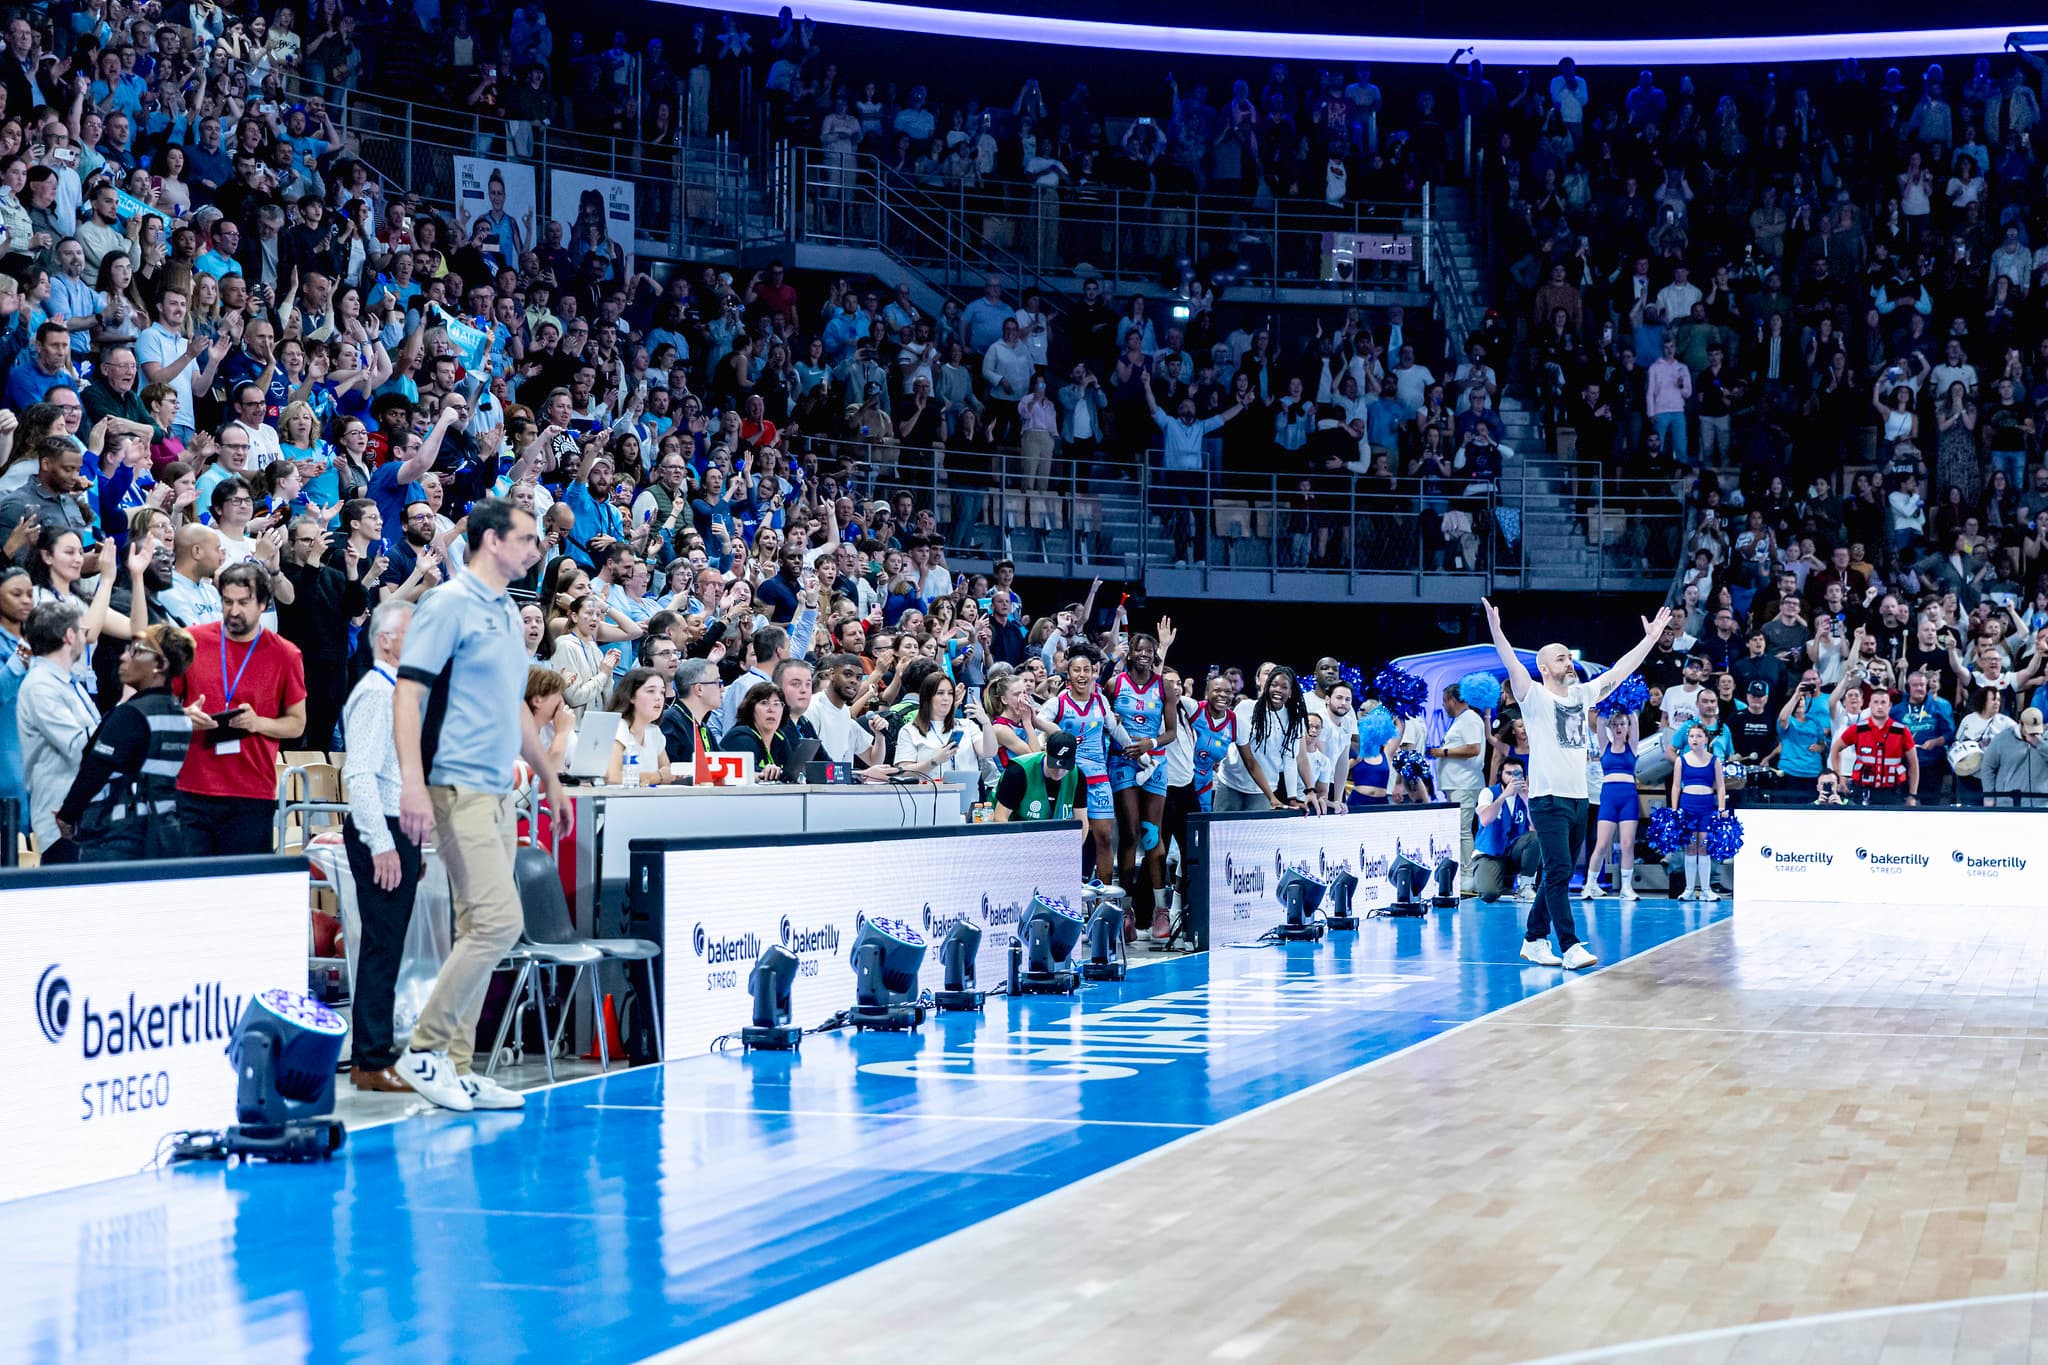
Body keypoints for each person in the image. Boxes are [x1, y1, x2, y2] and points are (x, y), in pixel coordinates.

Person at [393, 497, 566, 1113]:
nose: (534, 549)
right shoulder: (449, 604)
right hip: (455, 785)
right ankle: (423, 1049)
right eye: (525, 538)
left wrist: (549, 778)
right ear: (492, 541)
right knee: (499, 923)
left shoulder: (506, 610)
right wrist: (412, 782)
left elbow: (516, 705)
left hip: (498, 791)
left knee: (479, 928)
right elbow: (407, 694)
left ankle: (457, 1068)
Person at [1481, 596, 1674, 970]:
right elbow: (1509, 662)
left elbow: (1619, 671)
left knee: (1561, 872)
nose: (1568, 662)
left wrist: (1649, 640)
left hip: (1578, 799)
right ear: (1543, 667)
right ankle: (1568, 945)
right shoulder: (1532, 697)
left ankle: (1534, 940)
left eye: (1570, 657)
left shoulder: (1582, 695)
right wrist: (1497, 630)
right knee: (1557, 872)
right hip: (1547, 799)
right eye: (1560, 658)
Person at [339, 600, 419, 1094]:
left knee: (390, 945)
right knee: (381, 945)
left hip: (396, 827)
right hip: (379, 829)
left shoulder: (397, 691)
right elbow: (359, 774)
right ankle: (369, 1059)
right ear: (385, 640)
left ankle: (377, 1051)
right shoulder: (375, 693)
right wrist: (382, 843)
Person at [173, 563, 308, 855]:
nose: (234, 611)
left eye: (243, 603)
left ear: (262, 604)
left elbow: (297, 724)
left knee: (240, 890)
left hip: (251, 791)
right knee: (189, 888)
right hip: (192, 789)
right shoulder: (191, 641)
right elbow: (161, 706)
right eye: (227, 602)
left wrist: (258, 723)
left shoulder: (285, 654)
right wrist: (182, 716)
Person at [55, 624, 196, 862]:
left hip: (118, 837)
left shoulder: (131, 714)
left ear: (160, 665)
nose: (123, 656)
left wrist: (67, 815)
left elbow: (94, 771)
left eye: (135, 651)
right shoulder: (179, 713)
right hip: (166, 833)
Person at [1105, 625, 1179, 939]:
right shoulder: (1114, 683)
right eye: (1139, 650)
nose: (1145, 655)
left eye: (1150, 651)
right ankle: (1126, 911)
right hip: (1122, 760)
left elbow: (1171, 733)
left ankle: (1162, 911)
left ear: (1155, 655)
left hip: (1154, 762)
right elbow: (1100, 713)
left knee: (1152, 834)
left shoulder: (1164, 687)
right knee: (1131, 833)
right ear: (1131, 653)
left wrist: (1150, 743)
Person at [18, 599, 99, 862]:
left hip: (83, 819)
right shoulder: (40, 686)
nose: (85, 636)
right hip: (58, 825)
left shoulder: (65, 682)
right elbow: (80, 748)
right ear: (69, 635)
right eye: (81, 630)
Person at [1216, 665, 1310, 812]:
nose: (1278, 689)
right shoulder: (1245, 707)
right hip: (1230, 782)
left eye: (1284, 687)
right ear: (1266, 687)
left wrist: (1292, 798)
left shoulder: (1293, 720)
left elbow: (1290, 760)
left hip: (1264, 791)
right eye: (1274, 685)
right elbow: (1227, 739)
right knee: (1222, 834)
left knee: (1254, 835)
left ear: (1291, 692)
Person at [1426, 683, 1487, 892]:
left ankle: (1469, 875)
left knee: (1463, 831)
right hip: (1457, 783)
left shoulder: (1469, 718)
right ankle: (1465, 872)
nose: (1444, 705)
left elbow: (1473, 748)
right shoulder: (1462, 720)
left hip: (1465, 783)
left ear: (1453, 699)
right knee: (1461, 830)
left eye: (1445, 701)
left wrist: (1442, 752)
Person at [1827, 686, 1920, 806]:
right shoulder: (1858, 729)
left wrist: (1912, 795)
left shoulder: (1902, 731)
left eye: (1883, 702)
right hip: (1863, 792)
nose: (1879, 706)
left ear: (1890, 705)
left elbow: (1913, 764)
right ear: (1870, 705)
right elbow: (1835, 748)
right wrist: (1839, 777)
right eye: (1876, 702)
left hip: (1893, 792)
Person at [1584, 710, 1641, 899]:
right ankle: (1590, 885)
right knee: (1601, 844)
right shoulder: (1604, 746)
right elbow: (1600, 721)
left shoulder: (1632, 746)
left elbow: (1634, 718)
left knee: (1626, 844)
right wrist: (1608, 703)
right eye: (1615, 724)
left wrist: (1628, 704)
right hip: (1608, 796)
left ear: (1627, 728)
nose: (1618, 727)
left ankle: (1626, 887)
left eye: (1622, 724)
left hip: (1629, 798)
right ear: (1610, 727)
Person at [1669, 722, 1726, 902]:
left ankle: (1706, 890)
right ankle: (1689, 889)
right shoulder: (1681, 760)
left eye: (1699, 736)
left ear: (1706, 739)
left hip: (1707, 807)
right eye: (1692, 736)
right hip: (1688, 807)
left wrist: (1721, 807)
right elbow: (1676, 786)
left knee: (1704, 847)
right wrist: (1674, 809)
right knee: (1691, 847)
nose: (1695, 739)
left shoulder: (1714, 760)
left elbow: (1721, 786)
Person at [1473, 757, 1540, 902]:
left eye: (1517, 774)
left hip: (1512, 852)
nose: (1513, 778)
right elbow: (1485, 820)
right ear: (1500, 775)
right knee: (1489, 894)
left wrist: (1526, 798)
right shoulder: (1488, 792)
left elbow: (1536, 827)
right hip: (1490, 854)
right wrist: (1503, 796)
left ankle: (1526, 886)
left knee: (1536, 837)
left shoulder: (1527, 795)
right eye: (1508, 773)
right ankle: (1499, 881)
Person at [608, 666, 678, 785]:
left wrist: (661, 777)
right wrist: (656, 777)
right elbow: (612, 777)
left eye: (662, 692)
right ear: (631, 696)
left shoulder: (654, 731)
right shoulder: (618, 727)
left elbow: (668, 776)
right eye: (651, 691)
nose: (658, 697)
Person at [993, 729, 1081, 821]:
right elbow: (1000, 817)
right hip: (1013, 826)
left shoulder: (1077, 775)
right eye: (1054, 765)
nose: (1059, 772)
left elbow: (1082, 822)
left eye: (1065, 766)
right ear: (1046, 751)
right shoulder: (1018, 772)